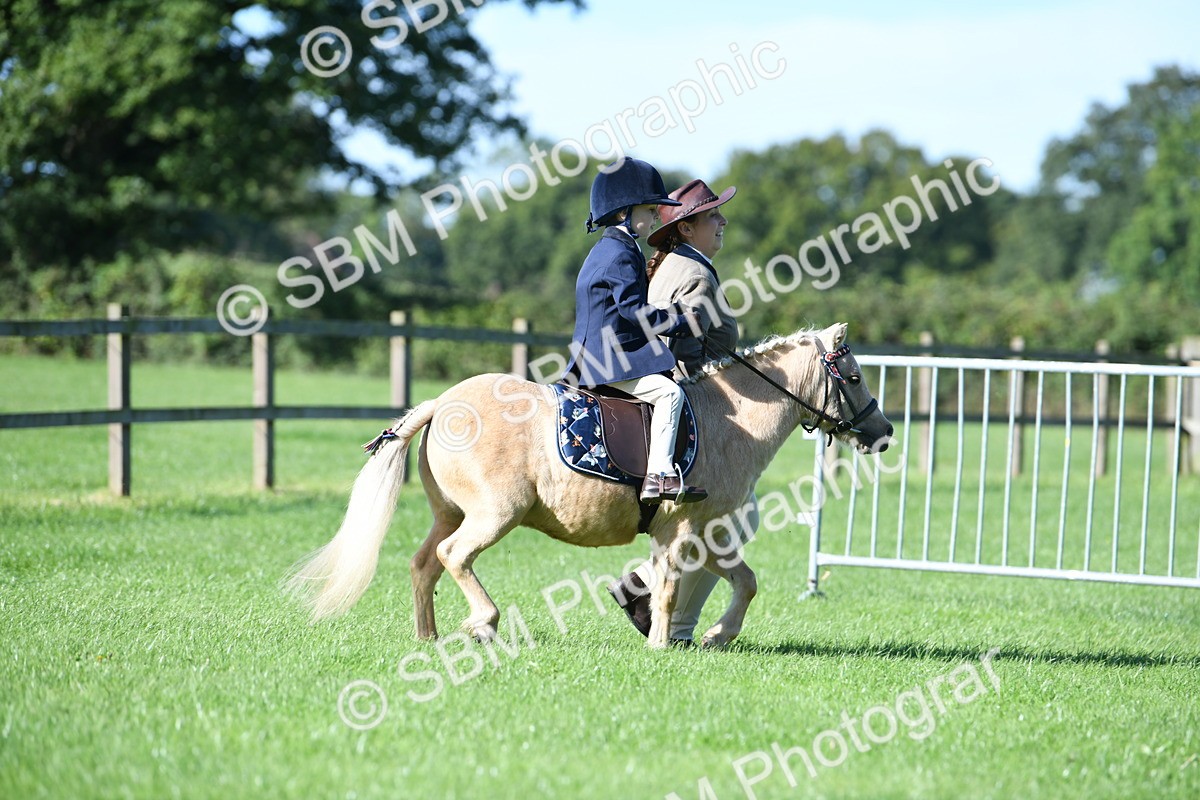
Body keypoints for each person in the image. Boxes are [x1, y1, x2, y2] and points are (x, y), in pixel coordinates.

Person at [605, 178, 761, 645]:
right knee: (740, 516)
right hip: (689, 402)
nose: (723, 222)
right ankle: (674, 623)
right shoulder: (694, 272)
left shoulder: (678, 262)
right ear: (688, 228)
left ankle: (641, 586)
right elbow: (682, 346)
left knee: (738, 515)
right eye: (714, 215)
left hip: (671, 398)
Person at [564, 157, 708, 505]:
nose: (653, 216)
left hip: (597, 354)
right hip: (607, 359)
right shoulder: (621, 254)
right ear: (623, 212)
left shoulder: (607, 249)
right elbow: (632, 310)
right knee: (670, 394)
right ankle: (660, 475)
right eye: (647, 209)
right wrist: (680, 320)